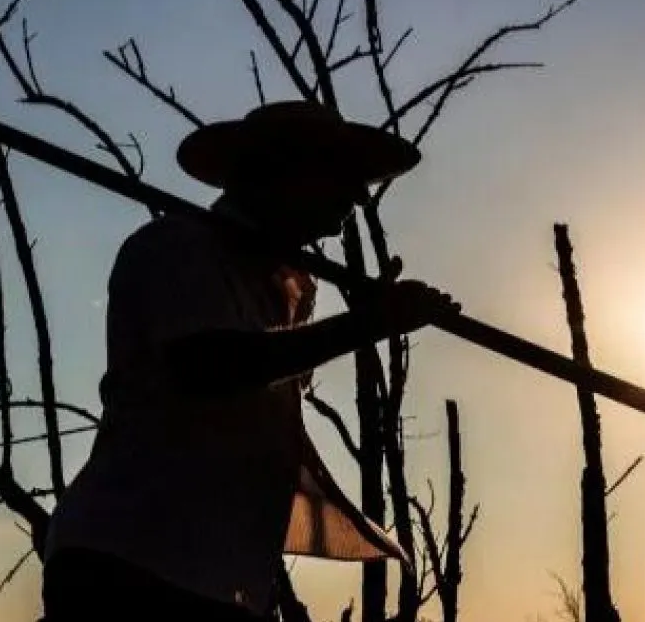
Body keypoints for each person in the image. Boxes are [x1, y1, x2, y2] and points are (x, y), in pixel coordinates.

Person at [40, 100, 462, 621]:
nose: (356, 196)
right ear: (284, 172)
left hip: (218, 579)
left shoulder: (284, 286)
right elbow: (212, 366)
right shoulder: (178, 246)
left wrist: (369, 320)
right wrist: (369, 325)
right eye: (340, 177)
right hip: (133, 565)